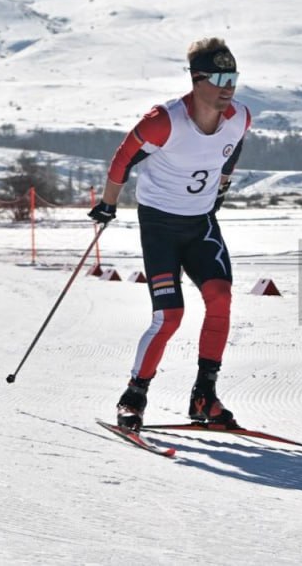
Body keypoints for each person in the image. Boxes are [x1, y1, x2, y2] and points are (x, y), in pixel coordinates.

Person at [89, 37, 250, 431]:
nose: (228, 86)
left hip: (201, 224)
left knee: (221, 298)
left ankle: (203, 396)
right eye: (219, 77)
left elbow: (234, 149)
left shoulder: (240, 116)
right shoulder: (164, 121)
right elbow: (123, 157)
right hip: (160, 226)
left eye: (233, 77)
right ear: (197, 80)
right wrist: (109, 203)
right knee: (170, 316)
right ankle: (134, 396)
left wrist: (221, 189)